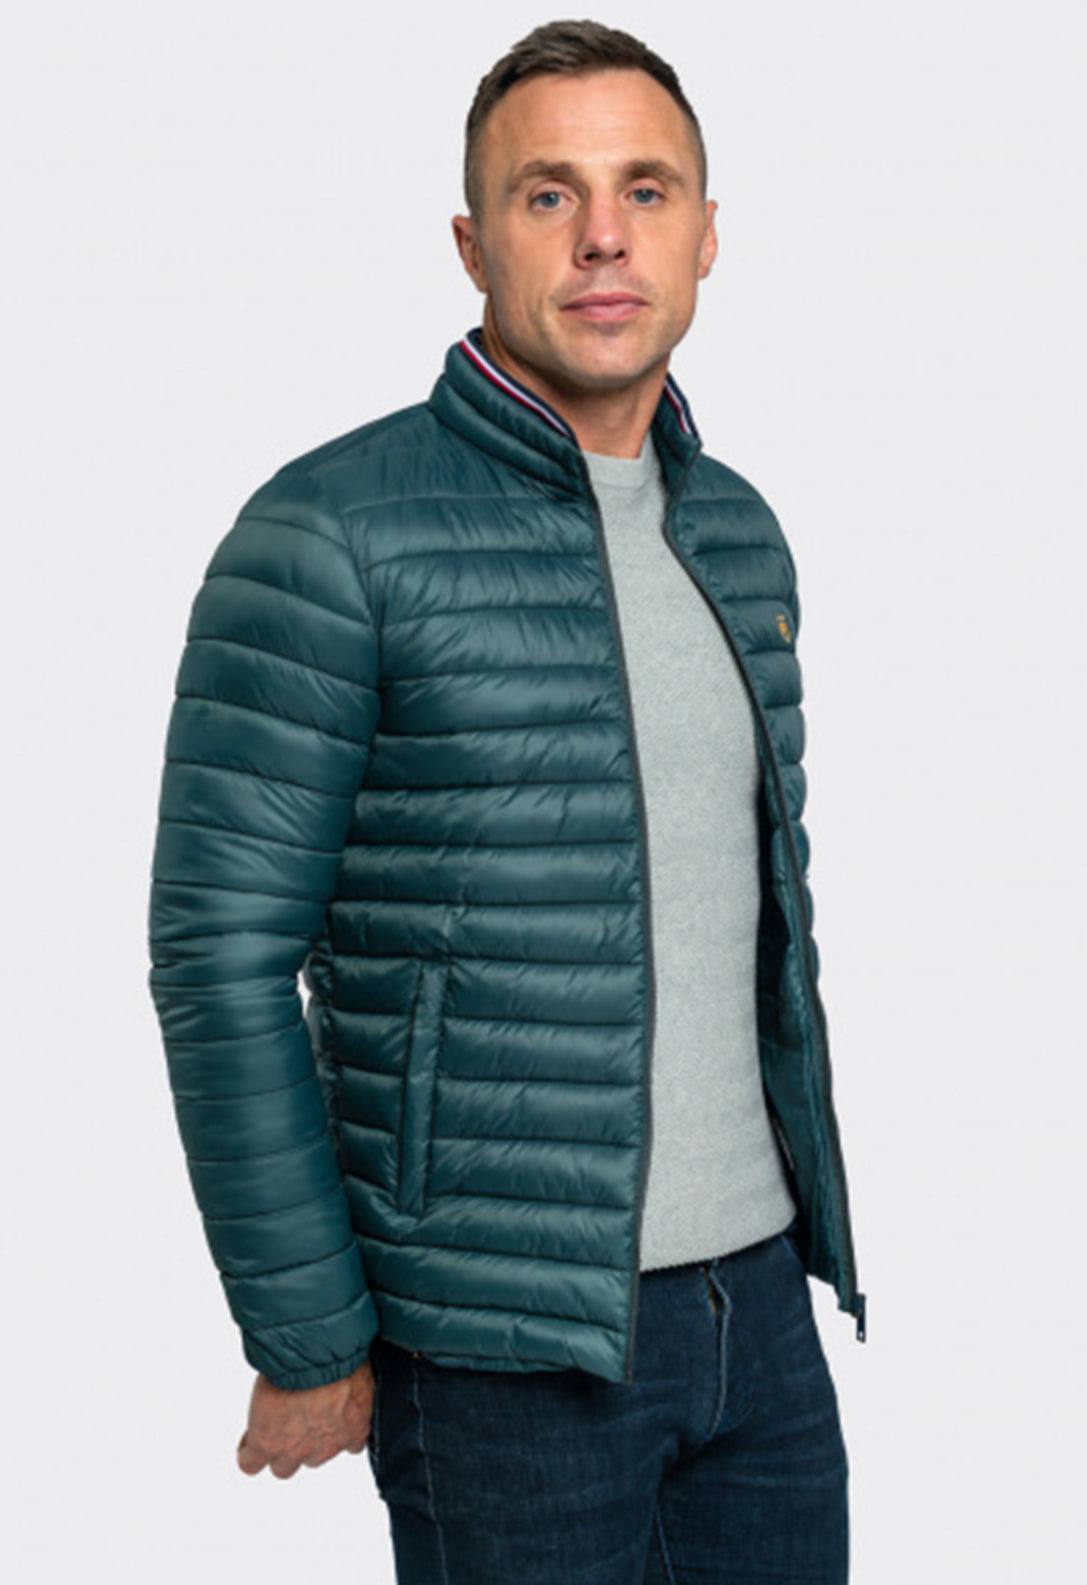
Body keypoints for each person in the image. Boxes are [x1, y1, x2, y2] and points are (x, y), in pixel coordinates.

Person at [148, 18, 864, 1583]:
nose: (604, 235)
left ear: (704, 234)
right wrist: (306, 1327)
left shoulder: (736, 529)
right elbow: (218, 953)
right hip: (496, 1348)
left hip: (759, 1312)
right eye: (549, 195)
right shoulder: (331, 533)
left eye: (644, 190)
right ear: (473, 243)